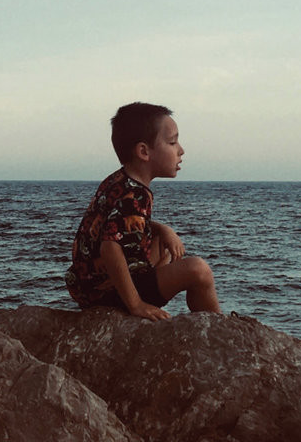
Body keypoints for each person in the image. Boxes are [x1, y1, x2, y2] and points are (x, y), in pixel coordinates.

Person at [65, 102, 220, 320]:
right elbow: (110, 248)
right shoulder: (135, 193)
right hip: (107, 292)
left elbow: (115, 224)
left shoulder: (118, 181)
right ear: (144, 152)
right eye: (172, 142)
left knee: (167, 247)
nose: (181, 150)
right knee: (198, 270)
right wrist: (136, 305)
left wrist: (163, 229)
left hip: (87, 285)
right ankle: (218, 327)